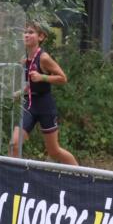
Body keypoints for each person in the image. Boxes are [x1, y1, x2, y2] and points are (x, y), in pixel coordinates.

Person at [9, 22, 78, 165]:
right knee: (14, 144)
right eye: (25, 32)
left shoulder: (44, 58)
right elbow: (31, 84)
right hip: (29, 105)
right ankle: (14, 180)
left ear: (41, 37)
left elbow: (63, 78)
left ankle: (81, 177)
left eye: (31, 32)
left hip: (45, 106)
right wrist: (19, 92)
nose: (26, 35)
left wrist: (43, 77)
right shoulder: (24, 60)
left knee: (54, 151)